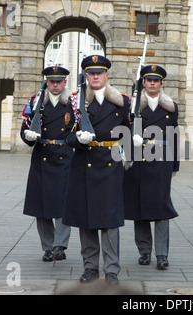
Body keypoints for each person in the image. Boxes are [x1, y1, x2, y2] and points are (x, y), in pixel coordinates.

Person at [62, 55, 131, 285]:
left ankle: (111, 269)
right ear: (86, 76)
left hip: (110, 164)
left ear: (106, 75)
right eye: (91, 73)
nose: (95, 76)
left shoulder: (122, 102)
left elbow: (129, 131)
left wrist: (134, 143)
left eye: (99, 73)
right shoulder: (75, 101)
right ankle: (90, 267)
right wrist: (77, 138)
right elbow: (66, 136)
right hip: (84, 163)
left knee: (110, 221)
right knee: (86, 219)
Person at [123, 65, 179, 270]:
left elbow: (174, 134)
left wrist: (175, 164)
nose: (152, 83)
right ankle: (145, 252)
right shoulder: (133, 105)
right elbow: (123, 131)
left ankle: (162, 254)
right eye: (149, 80)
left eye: (156, 80)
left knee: (161, 208)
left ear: (161, 83)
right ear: (143, 83)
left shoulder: (171, 106)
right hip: (139, 159)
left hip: (162, 160)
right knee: (140, 207)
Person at [20, 66, 74, 262]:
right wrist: (28, 137)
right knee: (41, 208)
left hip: (64, 157)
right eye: (52, 81)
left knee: (62, 205)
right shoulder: (35, 103)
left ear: (65, 82)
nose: (55, 85)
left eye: (59, 81)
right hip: (42, 156)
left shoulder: (73, 104)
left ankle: (60, 245)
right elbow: (24, 128)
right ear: (47, 82)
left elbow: (79, 129)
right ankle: (48, 247)